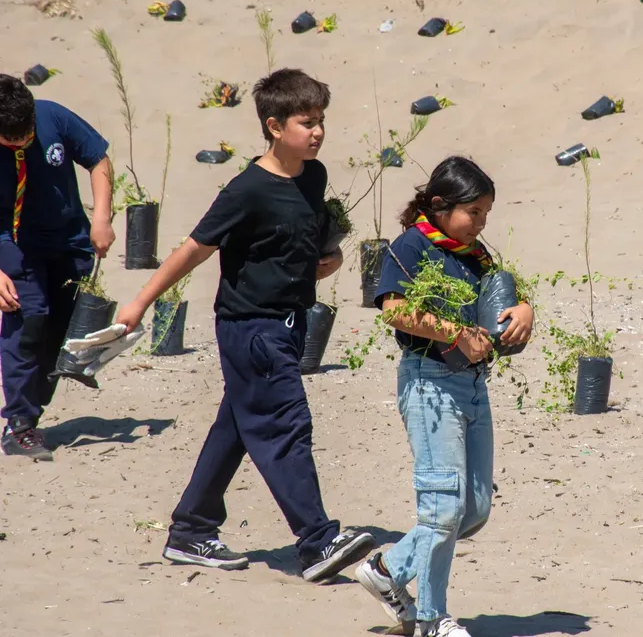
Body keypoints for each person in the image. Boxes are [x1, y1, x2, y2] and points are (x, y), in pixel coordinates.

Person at [114, 68, 374, 582]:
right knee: (284, 425)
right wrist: (139, 302)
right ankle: (318, 542)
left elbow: (304, 237)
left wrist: (329, 258)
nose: (317, 132)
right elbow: (194, 248)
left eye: (321, 121)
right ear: (274, 126)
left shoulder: (313, 176)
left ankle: (191, 530)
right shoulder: (246, 190)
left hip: (291, 321)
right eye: (306, 122)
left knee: (237, 427)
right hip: (252, 327)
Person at [355, 156, 534, 637]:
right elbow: (394, 311)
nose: (480, 223)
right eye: (473, 212)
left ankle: (388, 569)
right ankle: (433, 620)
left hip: (474, 386)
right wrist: (454, 332)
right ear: (439, 205)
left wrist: (524, 311)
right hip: (429, 383)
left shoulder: (475, 254)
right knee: (442, 509)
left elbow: (503, 299)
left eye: (486, 214)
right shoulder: (410, 246)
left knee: (473, 508)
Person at [0, 74, 115, 461]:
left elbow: (98, 160)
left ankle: (32, 412)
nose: (23, 142)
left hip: (70, 242)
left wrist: (101, 218)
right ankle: (19, 425)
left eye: (27, 132)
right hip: (14, 246)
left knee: (61, 332)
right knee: (29, 322)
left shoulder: (52, 116)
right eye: (12, 139)